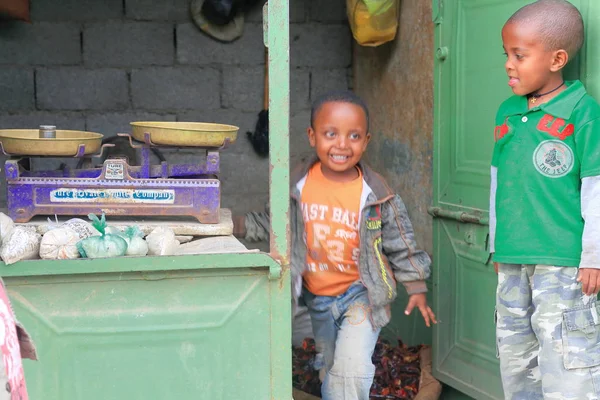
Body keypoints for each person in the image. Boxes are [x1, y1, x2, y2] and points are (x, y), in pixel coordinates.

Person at [236, 90, 436, 399]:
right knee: (329, 365)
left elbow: (400, 241)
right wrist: (233, 223)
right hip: (318, 299)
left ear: (366, 141)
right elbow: (272, 223)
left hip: (362, 293)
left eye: (353, 135)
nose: (342, 144)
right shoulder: (298, 185)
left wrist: (417, 287)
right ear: (312, 136)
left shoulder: (376, 193)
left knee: (352, 367)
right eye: (331, 134)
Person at [490, 1, 600, 398]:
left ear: (557, 59)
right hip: (513, 258)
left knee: (568, 360)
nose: (509, 64)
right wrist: (496, 244)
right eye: (507, 54)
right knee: (516, 356)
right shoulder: (506, 112)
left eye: (519, 55)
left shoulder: (582, 113)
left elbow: (595, 188)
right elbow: (497, 181)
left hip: (564, 263)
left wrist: (593, 256)